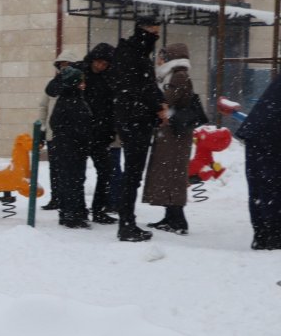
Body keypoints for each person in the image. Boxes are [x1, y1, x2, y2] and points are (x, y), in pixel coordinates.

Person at [111, 16, 168, 242]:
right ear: (144, 31)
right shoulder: (134, 54)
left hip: (132, 117)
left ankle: (127, 222)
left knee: (132, 174)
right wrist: (158, 106)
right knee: (132, 174)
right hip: (135, 119)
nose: (156, 36)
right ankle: (126, 224)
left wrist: (158, 102)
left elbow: (144, 85)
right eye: (154, 31)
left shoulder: (132, 52)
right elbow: (141, 86)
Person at [142, 43, 198, 235]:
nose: (158, 60)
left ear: (169, 58)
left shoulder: (178, 76)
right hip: (171, 134)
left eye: (161, 56)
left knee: (173, 175)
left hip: (175, 135)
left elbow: (167, 100)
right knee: (167, 174)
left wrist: (154, 98)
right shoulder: (171, 75)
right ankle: (170, 216)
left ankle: (178, 220)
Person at [234, 72, 281, 250]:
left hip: (259, 132)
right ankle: (273, 236)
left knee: (260, 186)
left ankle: (262, 235)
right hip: (270, 135)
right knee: (272, 185)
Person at [44, 66, 93, 229]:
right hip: (72, 148)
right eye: (81, 82)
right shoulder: (72, 100)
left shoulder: (67, 98)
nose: (84, 84)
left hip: (69, 147)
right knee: (73, 180)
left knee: (72, 180)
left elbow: (55, 122)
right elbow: (78, 125)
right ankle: (72, 214)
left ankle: (72, 212)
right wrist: (80, 137)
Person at [78, 43, 119, 224]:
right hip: (81, 132)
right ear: (93, 59)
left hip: (100, 133)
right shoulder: (80, 72)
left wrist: (110, 130)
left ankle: (99, 209)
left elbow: (110, 107)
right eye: (99, 62)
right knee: (78, 174)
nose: (101, 66)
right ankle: (77, 209)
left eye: (105, 64)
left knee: (106, 171)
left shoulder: (108, 78)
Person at [37, 50, 80, 211]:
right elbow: (43, 107)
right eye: (61, 65)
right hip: (53, 133)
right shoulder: (53, 85)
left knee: (70, 169)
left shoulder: (78, 84)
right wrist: (42, 129)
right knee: (54, 168)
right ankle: (56, 197)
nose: (64, 68)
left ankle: (68, 200)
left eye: (67, 64)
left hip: (71, 134)